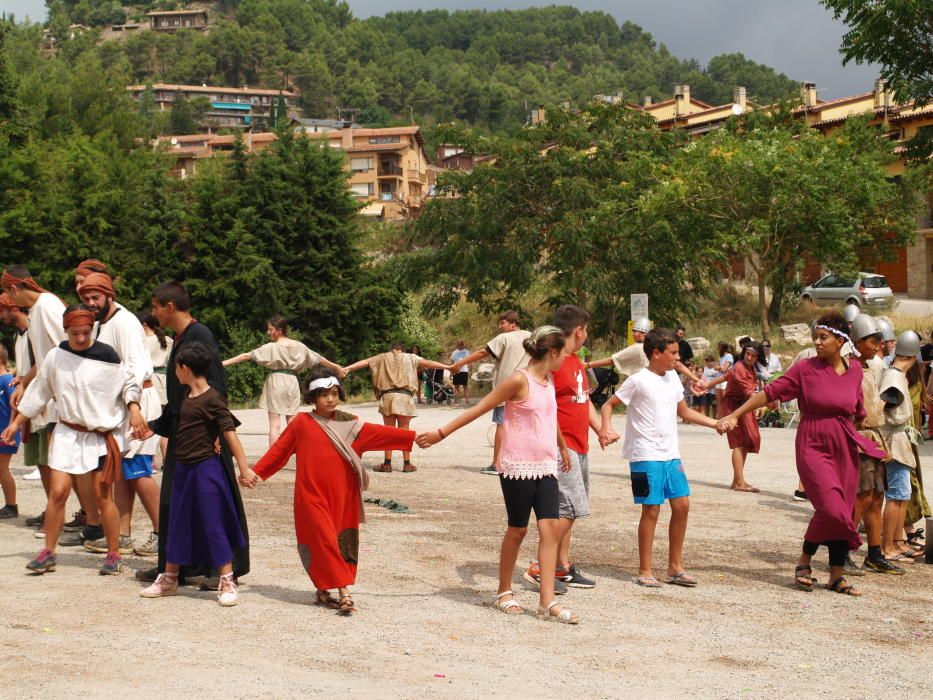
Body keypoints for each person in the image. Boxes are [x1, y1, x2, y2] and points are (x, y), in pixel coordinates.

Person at [417, 326, 579, 624]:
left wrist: (563, 447)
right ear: (553, 352)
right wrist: (441, 433)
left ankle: (547, 602)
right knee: (518, 529)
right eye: (563, 354)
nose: (565, 360)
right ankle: (504, 591)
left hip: (545, 465)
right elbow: (480, 408)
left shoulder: (549, 380)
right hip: (517, 466)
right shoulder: (518, 380)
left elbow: (550, 415)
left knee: (550, 529)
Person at [719, 312, 886, 597]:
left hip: (843, 445)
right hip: (813, 442)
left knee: (844, 511)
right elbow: (770, 392)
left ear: (841, 340)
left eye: (824, 338)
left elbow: (857, 408)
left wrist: (863, 433)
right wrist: (736, 414)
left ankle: (836, 575)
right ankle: (805, 560)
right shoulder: (805, 369)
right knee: (830, 509)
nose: (817, 343)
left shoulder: (855, 370)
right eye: (816, 338)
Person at [251, 367, 416, 615]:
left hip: (344, 497)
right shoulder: (301, 424)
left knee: (341, 542)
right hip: (310, 495)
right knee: (323, 540)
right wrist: (256, 473)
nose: (330, 398)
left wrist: (416, 437)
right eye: (323, 394)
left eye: (334, 393)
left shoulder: (351, 424)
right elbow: (279, 453)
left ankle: (322, 588)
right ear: (312, 397)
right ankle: (344, 592)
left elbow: (383, 434)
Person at [1, 304, 147, 575]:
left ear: (92, 330)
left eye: (85, 332)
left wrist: (135, 409)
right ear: (65, 330)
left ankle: (114, 554)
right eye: (75, 333)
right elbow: (39, 391)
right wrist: (16, 423)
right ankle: (49, 552)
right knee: (57, 493)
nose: (80, 338)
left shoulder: (107, 356)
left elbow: (130, 384)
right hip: (68, 433)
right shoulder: (56, 356)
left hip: (100, 438)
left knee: (103, 497)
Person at [138, 281, 250, 585]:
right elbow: (177, 401)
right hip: (182, 432)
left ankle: (222, 570)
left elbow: (218, 385)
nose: (154, 312)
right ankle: (177, 567)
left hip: (205, 437)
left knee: (212, 504)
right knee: (179, 504)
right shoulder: (181, 337)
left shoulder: (200, 335)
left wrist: (216, 434)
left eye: (156, 307)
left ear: (169, 306)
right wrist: (154, 427)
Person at [598, 328, 721, 588]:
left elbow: (685, 413)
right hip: (645, 455)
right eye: (673, 353)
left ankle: (675, 567)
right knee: (651, 509)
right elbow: (608, 405)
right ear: (656, 353)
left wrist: (715, 423)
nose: (678, 358)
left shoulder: (673, 379)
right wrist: (606, 428)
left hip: (670, 454)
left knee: (682, 505)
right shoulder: (638, 380)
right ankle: (645, 570)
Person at [523, 306, 619, 592]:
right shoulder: (554, 362)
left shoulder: (576, 362)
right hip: (559, 447)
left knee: (571, 508)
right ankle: (541, 566)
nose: (586, 335)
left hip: (579, 445)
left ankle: (561, 566)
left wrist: (600, 430)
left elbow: (582, 400)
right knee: (569, 507)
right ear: (579, 331)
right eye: (586, 330)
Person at [76, 272, 163, 557]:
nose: (90, 302)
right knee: (124, 473)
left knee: (139, 470)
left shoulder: (124, 322)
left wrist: (134, 407)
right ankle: (123, 535)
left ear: (109, 295)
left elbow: (137, 368)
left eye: (95, 297)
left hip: (138, 402)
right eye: (86, 298)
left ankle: (165, 533)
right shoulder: (102, 322)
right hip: (123, 405)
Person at [1, 266, 66, 536]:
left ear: (14, 290)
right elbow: (44, 362)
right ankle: (55, 514)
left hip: (60, 400)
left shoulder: (48, 306)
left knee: (60, 463)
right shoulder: (39, 311)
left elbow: (63, 352)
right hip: (45, 399)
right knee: (45, 460)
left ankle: (68, 518)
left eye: (5, 291)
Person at [222, 317, 344, 446]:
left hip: (277, 381)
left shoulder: (272, 347)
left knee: (275, 425)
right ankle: (298, 451)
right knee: (292, 420)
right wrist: (336, 367)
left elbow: (246, 356)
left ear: (279, 330)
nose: (268, 332)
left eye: (270, 329)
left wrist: (222, 363)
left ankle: (273, 457)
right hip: (292, 381)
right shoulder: (299, 346)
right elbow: (319, 359)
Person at [848, 315, 904, 574]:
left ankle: (874, 553)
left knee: (877, 496)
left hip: (875, 437)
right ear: (858, 341)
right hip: (857, 437)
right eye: (873, 341)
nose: (877, 346)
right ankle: (844, 551)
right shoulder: (848, 367)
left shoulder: (873, 366)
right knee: (861, 497)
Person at [344, 343, 449, 472]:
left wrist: (346, 369)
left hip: (387, 397)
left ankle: (387, 464)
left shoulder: (382, 357)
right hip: (404, 397)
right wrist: (448, 367)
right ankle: (407, 464)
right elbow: (429, 363)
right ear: (403, 350)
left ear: (391, 349)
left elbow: (364, 362)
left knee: (388, 432)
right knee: (405, 432)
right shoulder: (411, 357)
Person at [449, 311, 531, 475]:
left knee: (502, 424)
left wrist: (460, 363)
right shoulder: (531, 336)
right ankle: (522, 460)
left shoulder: (504, 338)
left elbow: (483, 352)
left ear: (513, 324)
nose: (500, 327)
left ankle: (496, 464)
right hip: (528, 388)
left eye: (503, 323)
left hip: (506, 388)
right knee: (524, 426)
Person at [878, 331, 926, 564]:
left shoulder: (898, 376)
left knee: (903, 494)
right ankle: (887, 546)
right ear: (913, 355)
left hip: (900, 439)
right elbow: (880, 409)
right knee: (896, 494)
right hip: (893, 440)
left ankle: (896, 543)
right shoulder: (894, 378)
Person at [706, 344, 761, 492]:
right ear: (744, 353)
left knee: (746, 441)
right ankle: (740, 483)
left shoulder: (749, 368)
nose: (749, 357)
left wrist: (708, 384)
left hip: (744, 406)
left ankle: (737, 480)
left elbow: (725, 376)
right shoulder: (740, 367)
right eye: (747, 354)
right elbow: (749, 392)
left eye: (753, 355)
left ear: (757, 357)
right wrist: (765, 403)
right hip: (733, 406)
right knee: (738, 443)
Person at [140, 312, 171, 462]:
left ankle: (150, 461)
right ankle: (167, 459)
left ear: (144, 325)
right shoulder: (167, 340)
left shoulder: (142, 341)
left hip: (150, 383)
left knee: (151, 422)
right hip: (165, 382)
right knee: (164, 423)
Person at [0, 344, 20, 518]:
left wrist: (11, 427)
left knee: (2, 468)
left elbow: (15, 404)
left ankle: (11, 505)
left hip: (6, 433)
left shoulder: (7, 380)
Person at [714, 342, 735, 419]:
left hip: (725, 380)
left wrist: (719, 367)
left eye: (718, 348)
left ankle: (727, 418)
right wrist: (719, 367)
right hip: (719, 379)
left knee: (725, 400)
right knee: (718, 401)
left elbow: (724, 369)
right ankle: (720, 418)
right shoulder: (720, 357)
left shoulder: (729, 356)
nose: (717, 350)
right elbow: (716, 367)